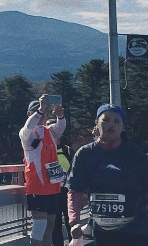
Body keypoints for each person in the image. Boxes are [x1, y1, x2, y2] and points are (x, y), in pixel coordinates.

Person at [65, 104, 148, 246]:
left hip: (135, 229)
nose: (111, 125)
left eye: (117, 121)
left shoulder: (136, 154)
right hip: (99, 231)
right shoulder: (85, 154)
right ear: (96, 123)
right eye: (106, 120)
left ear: (122, 126)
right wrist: (74, 221)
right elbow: (75, 191)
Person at [20, 95, 67, 246]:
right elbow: (28, 126)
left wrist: (60, 115)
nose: (41, 114)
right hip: (37, 186)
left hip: (52, 185)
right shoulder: (26, 134)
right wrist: (40, 109)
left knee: (50, 225)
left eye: (44, 111)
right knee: (39, 226)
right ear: (30, 114)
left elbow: (60, 127)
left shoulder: (49, 131)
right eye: (34, 111)